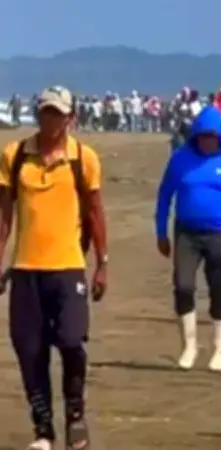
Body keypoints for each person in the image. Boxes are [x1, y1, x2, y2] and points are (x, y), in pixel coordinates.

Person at [0, 86, 108, 450]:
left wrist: (102, 263)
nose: (52, 119)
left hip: (68, 268)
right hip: (26, 270)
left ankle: (75, 415)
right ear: (37, 113)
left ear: (70, 117)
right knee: (30, 350)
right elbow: (4, 217)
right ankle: (43, 430)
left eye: (58, 113)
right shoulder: (15, 156)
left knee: (72, 341)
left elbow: (95, 213)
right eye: (46, 112)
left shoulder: (84, 158)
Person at [155, 106, 221, 373]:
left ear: (219, 136)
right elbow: (165, 195)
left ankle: (219, 350)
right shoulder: (180, 158)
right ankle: (189, 346)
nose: (207, 141)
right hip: (186, 232)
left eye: (212, 136)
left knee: (219, 290)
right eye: (203, 136)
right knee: (183, 286)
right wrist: (160, 232)